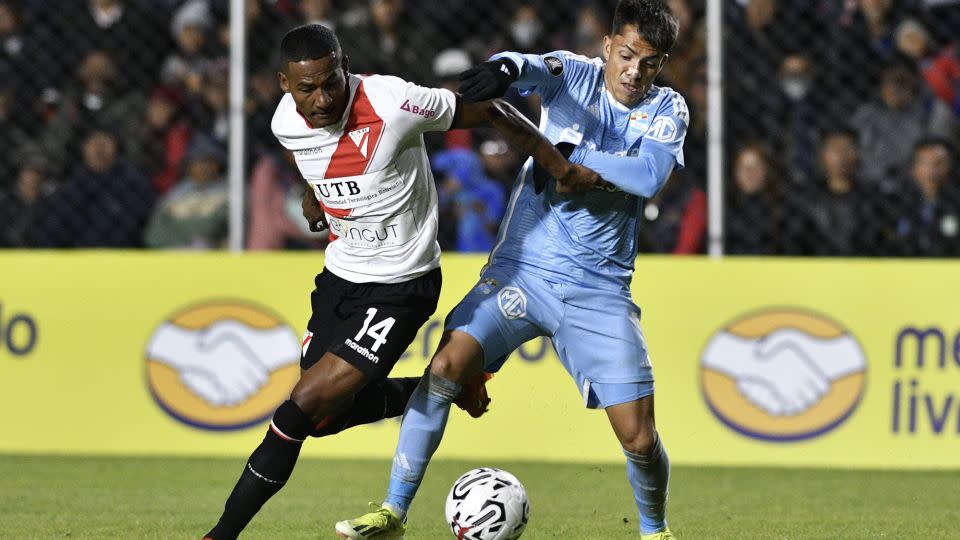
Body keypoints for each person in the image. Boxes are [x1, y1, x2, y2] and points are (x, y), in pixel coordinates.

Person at [203, 23, 601, 540]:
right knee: (324, 418)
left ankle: (219, 535)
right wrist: (312, 193)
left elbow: (495, 112)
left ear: (345, 67)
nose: (323, 98)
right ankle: (439, 387)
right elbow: (304, 152)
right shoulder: (286, 121)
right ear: (285, 84)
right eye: (307, 88)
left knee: (298, 411)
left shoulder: (393, 102)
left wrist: (560, 168)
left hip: (400, 285)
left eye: (332, 82)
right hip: (341, 275)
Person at [337, 1, 686, 539]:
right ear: (608, 45)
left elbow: (648, 175)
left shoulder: (668, 109)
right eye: (628, 55)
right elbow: (528, 66)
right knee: (446, 368)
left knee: (639, 438)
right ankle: (393, 511)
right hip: (523, 272)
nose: (635, 72)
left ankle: (655, 530)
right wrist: (503, 67)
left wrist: (569, 158)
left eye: (651, 63)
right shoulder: (574, 73)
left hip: (598, 290)